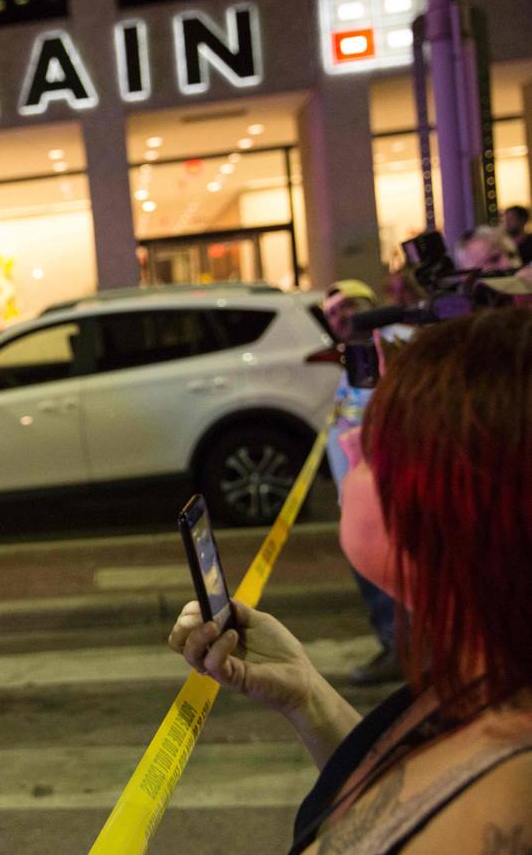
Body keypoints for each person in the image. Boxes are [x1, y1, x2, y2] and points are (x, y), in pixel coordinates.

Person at [169, 308, 532, 853]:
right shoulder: (489, 676)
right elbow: (391, 806)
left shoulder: (507, 806)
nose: (349, 444)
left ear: (467, 499)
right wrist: (307, 696)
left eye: (383, 435)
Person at [320, 280, 400, 685]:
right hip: (359, 496)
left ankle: (402, 653)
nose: (341, 318)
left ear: (371, 305)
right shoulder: (355, 360)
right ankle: (396, 649)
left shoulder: (393, 347)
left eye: (349, 306)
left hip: (387, 498)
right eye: (332, 313)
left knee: (391, 581)